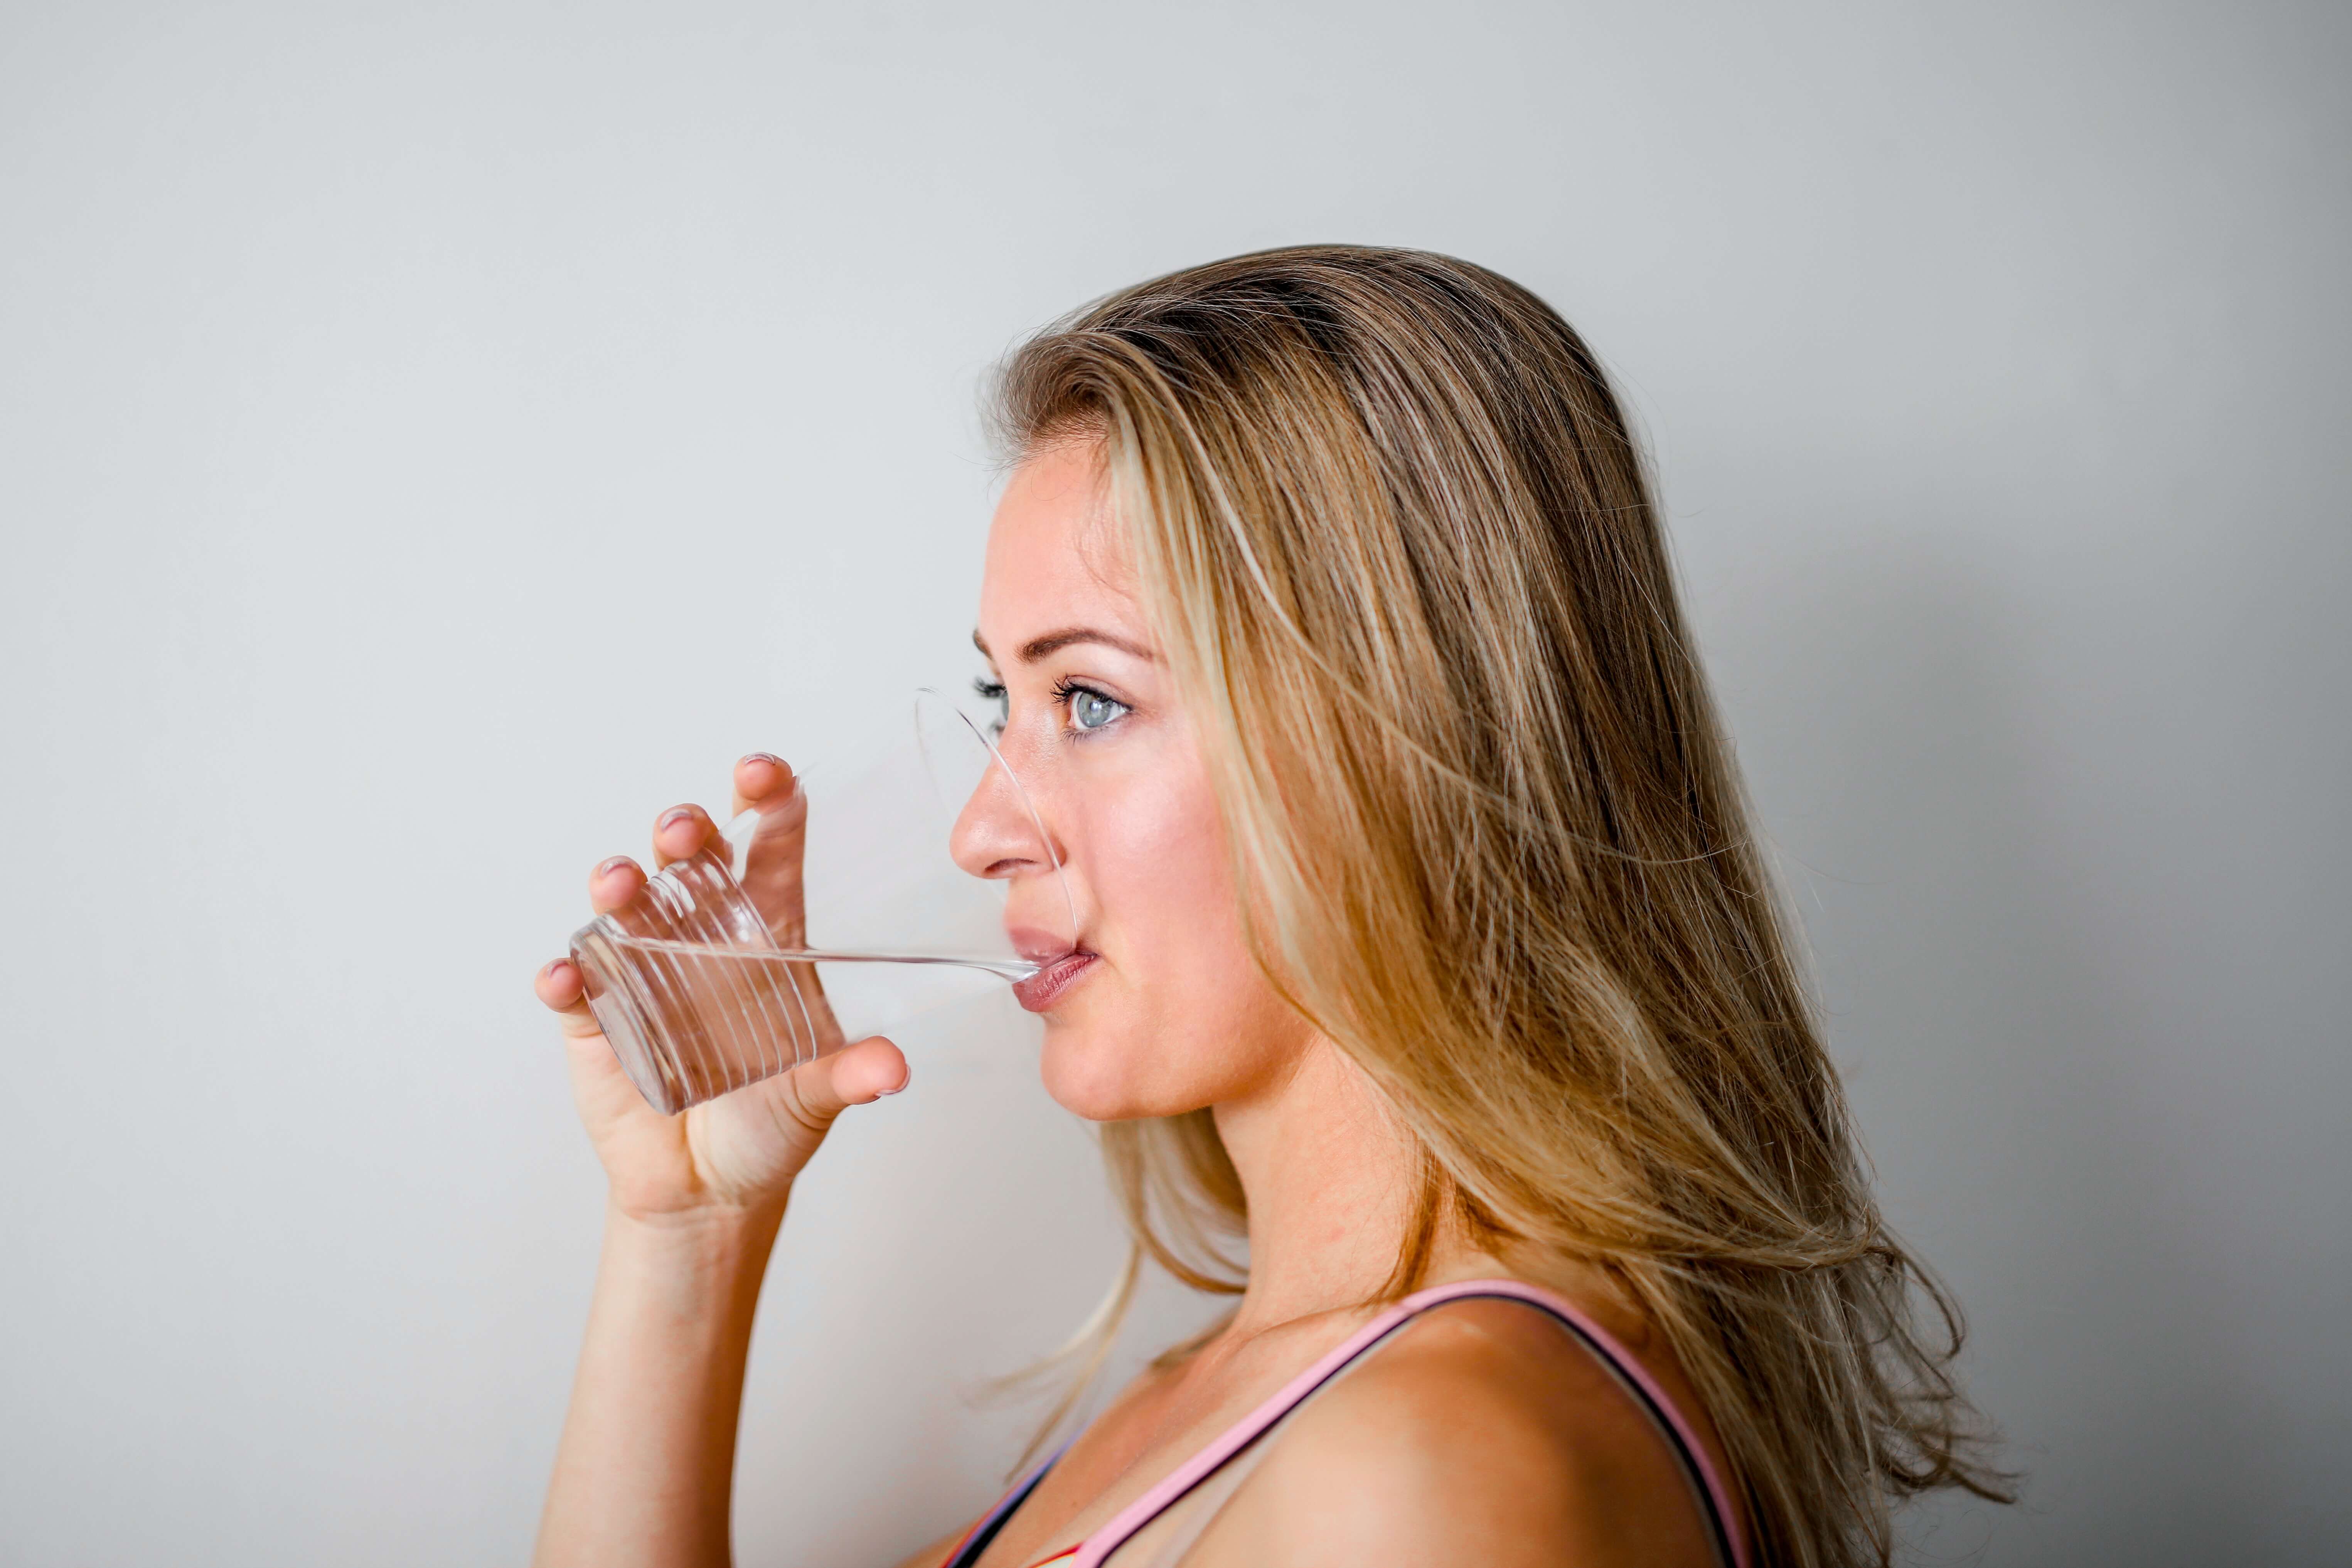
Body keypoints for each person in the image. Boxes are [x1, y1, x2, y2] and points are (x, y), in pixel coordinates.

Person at [529, 246, 2008, 1568]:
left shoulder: (1426, 1476)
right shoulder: (1238, 1393)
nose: (983, 827)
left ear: (1396, 740)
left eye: (1090, 698)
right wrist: (692, 1230)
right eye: (1003, 698)